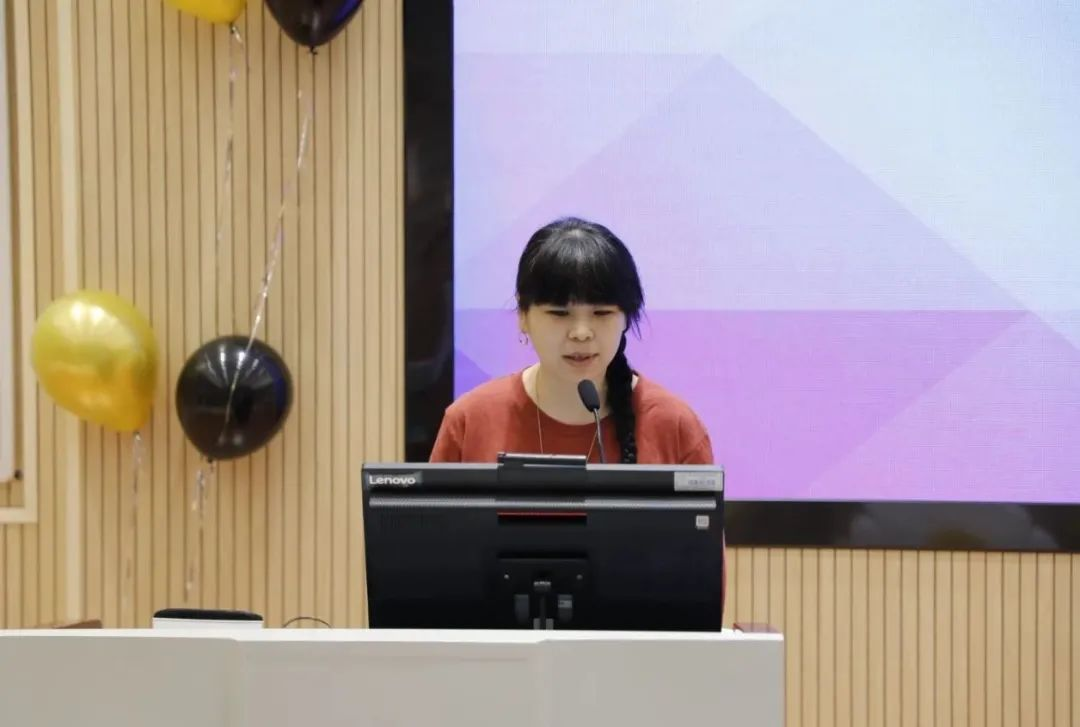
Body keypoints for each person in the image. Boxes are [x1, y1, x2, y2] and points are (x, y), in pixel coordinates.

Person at [430, 216, 714, 466]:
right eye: (559, 313)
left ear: (626, 317)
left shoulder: (675, 427)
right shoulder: (469, 421)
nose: (581, 332)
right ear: (523, 315)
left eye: (601, 313)